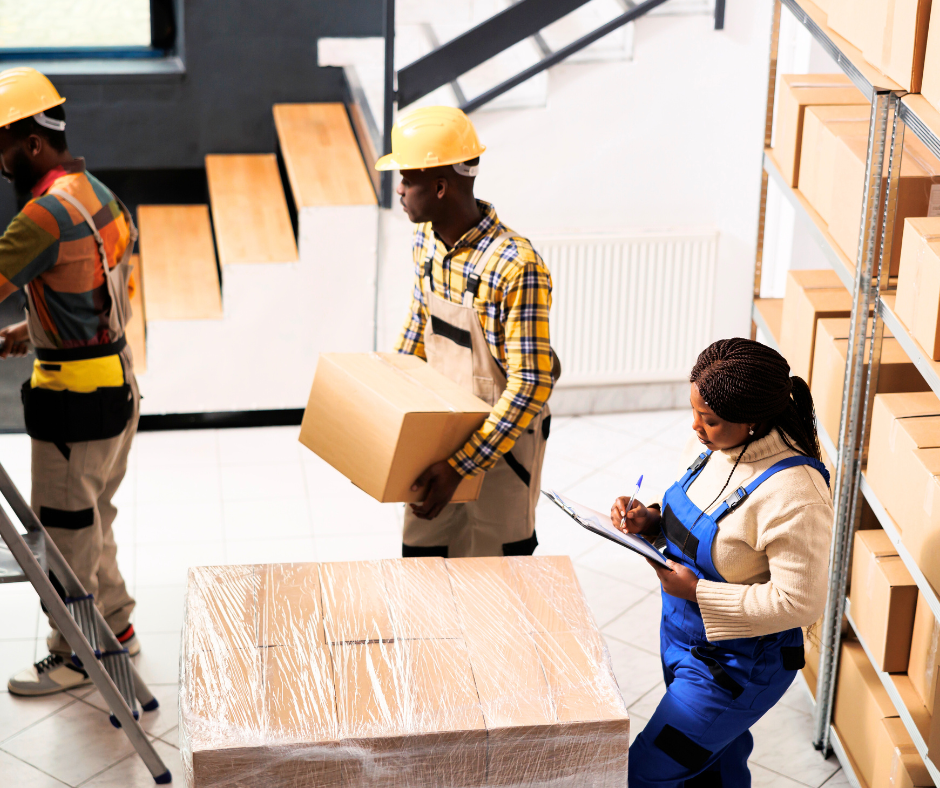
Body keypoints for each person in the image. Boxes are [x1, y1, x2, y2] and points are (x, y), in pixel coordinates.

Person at [612, 338, 832, 787]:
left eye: (708, 420)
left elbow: (800, 604)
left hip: (737, 669)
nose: (695, 427)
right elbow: (719, 532)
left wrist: (697, 592)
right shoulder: (717, 447)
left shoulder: (796, 495)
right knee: (712, 765)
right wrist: (651, 521)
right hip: (682, 639)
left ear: (751, 421)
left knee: (645, 773)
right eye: (694, 413)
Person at [0, 67, 140, 696]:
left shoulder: (40, 217)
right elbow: (94, 293)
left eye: (2, 144)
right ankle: (116, 627)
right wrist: (33, 330)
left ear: (32, 142)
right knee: (93, 517)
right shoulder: (96, 194)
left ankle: (76, 654)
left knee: (62, 530)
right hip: (116, 387)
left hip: (73, 404)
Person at [377, 106, 557, 558]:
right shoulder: (426, 241)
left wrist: (461, 466)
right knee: (424, 568)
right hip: (439, 433)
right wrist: (386, 408)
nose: (399, 189)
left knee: (492, 587)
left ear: (440, 187)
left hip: (500, 451)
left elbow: (531, 384)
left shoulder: (515, 266)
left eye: (407, 179)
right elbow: (418, 329)